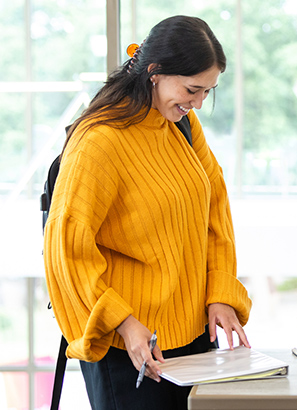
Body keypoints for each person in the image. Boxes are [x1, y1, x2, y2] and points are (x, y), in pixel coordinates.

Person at [43, 15, 252, 409]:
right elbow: (65, 250)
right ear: (154, 72)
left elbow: (215, 212)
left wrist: (221, 293)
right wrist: (121, 321)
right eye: (192, 90)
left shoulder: (183, 126)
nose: (198, 104)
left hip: (192, 340)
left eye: (208, 92)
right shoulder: (100, 141)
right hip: (131, 345)